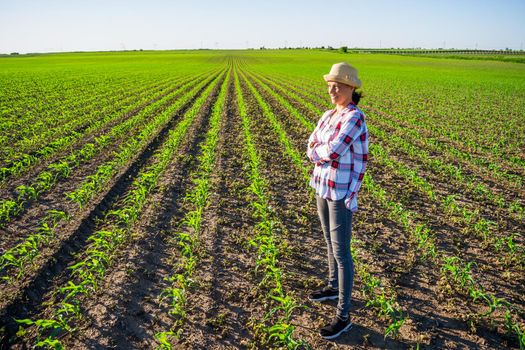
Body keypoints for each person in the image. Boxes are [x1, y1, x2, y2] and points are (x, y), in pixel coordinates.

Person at [306, 62, 369, 340]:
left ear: (351, 88)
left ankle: (344, 316)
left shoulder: (354, 117)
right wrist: (319, 149)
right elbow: (311, 145)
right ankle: (332, 287)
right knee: (329, 242)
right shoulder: (329, 114)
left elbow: (334, 149)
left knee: (342, 252)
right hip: (322, 185)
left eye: (339, 84)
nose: (332, 88)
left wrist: (319, 149)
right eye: (330, 83)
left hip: (341, 191)